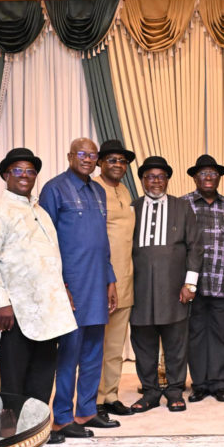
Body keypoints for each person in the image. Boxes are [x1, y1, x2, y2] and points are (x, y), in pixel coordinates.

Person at [0, 147, 77, 445]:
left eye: (30, 171)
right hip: (16, 310)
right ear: (6, 175)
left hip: (47, 309)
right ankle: (8, 435)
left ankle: (35, 431)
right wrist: (2, 303)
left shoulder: (40, 212)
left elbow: (51, 259)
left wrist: (62, 291)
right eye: (18, 171)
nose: (25, 176)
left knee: (43, 374)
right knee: (14, 378)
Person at [39, 138, 119, 439]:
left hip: (97, 282)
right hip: (70, 284)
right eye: (82, 154)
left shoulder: (99, 191)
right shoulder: (54, 189)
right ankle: (62, 417)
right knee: (69, 353)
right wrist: (59, 284)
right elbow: (45, 241)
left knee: (94, 351)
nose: (87, 159)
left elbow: (102, 241)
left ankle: (86, 410)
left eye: (92, 155)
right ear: (70, 156)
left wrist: (110, 279)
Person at [128, 155, 203, 412]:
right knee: (143, 344)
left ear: (168, 180)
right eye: (150, 177)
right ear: (142, 180)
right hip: (139, 289)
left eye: (161, 177)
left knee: (176, 343)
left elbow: (195, 247)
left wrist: (190, 284)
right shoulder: (132, 208)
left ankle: (174, 391)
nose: (156, 181)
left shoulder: (182, 208)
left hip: (174, 289)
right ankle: (149, 392)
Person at [183, 155, 224, 403]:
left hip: (223, 283)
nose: (208, 177)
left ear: (219, 178)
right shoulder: (182, 205)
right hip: (192, 285)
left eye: (213, 174)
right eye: (203, 173)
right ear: (195, 177)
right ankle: (199, 384)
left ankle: (218, 383)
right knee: (195, 336)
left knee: (222, 336)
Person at [93, 139, 136, 417]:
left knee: (115, 346)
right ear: (100, 162)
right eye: (112, 160)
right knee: (97, 344)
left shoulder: (125, 190)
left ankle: (110, 395)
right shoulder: (93, 189)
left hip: (126, 280)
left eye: (122, 161)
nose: (118, 165)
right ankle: (94, 399)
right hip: (101, 280)